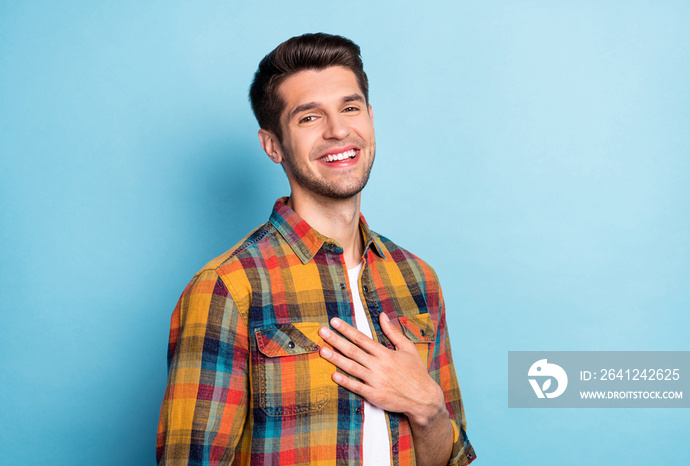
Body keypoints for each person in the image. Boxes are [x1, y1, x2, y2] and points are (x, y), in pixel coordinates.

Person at [156, 33, 476, 466]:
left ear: (370, 118)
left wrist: (428, 408)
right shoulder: (227, 287)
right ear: (273, 146)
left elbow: (448, 459)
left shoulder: (418, 279)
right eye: (309, 118)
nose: (338, 129)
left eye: (350, 108)